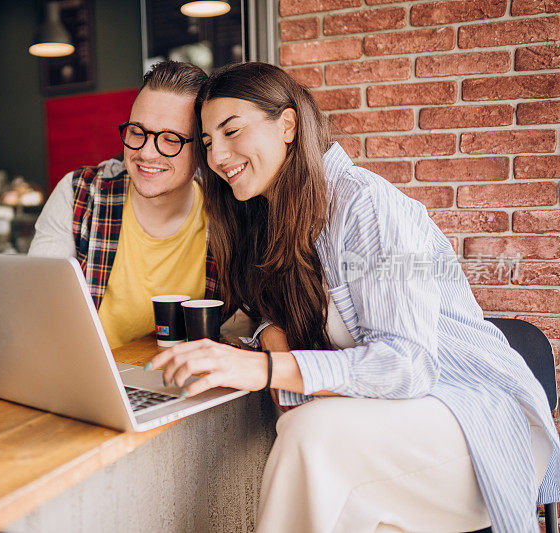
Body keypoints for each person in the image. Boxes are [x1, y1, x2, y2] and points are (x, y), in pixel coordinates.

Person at [147, 62, 560, 532]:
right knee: (313, 440)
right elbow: (268, 308)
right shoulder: (268, 216)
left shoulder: (367, 205)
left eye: (232, 131)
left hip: (473, 424)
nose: (218, 155)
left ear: (287, 125)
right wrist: (274, 335)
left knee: (310, 434)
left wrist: (265, 369)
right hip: (391, 423)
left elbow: (407, 366)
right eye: (206, 142)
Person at [28, 61, 219, 349]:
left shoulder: (225, 211)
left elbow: (256, 316)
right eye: (137, 132)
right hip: (91, 383)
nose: (146, 152)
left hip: (193, 384)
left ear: (202, 148)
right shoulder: (80, 194)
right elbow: (34, 309)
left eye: (170, 139)